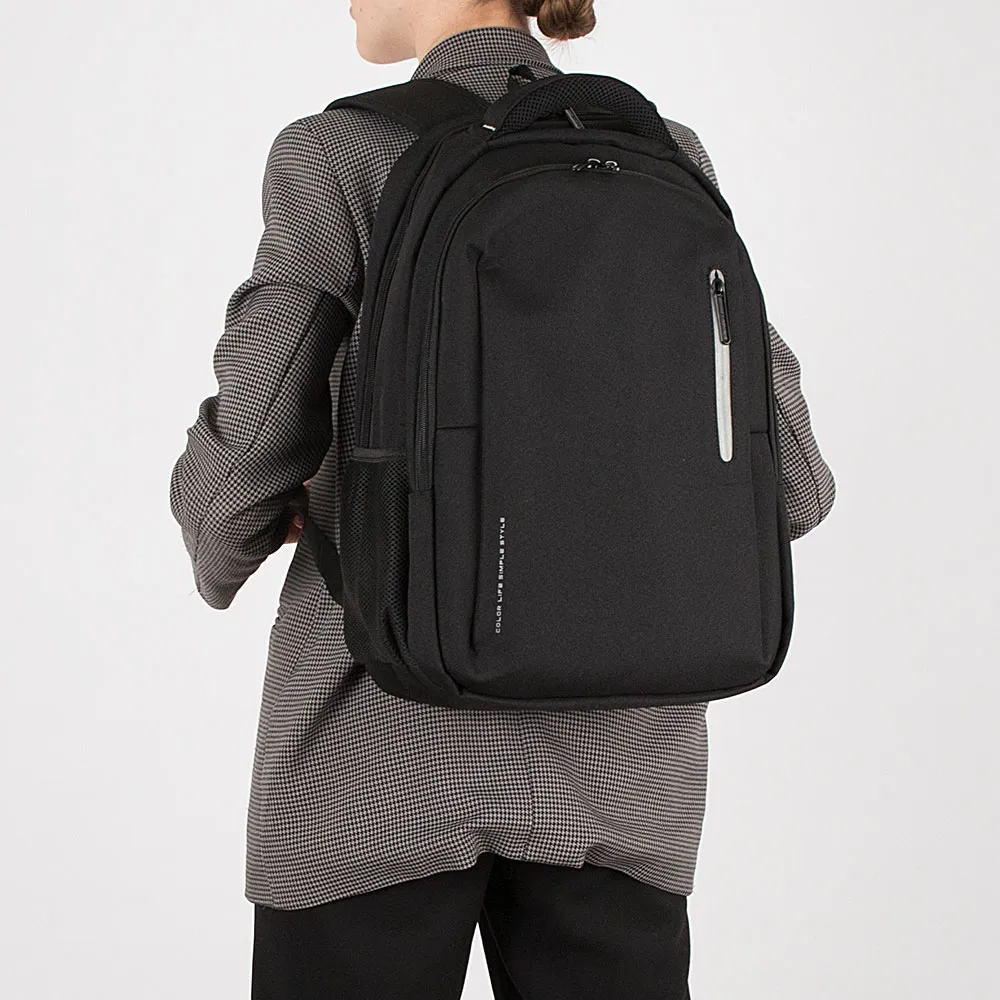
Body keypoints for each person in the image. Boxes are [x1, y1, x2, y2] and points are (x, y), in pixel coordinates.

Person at [169, 0, 836, 997]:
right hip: (625, 769)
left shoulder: (340, 152)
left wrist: (223, 538)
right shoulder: (663, 154)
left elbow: (252, 438)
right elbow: (793, 482)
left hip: (376, 748)